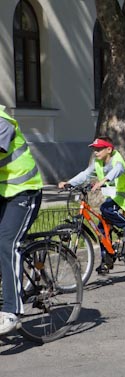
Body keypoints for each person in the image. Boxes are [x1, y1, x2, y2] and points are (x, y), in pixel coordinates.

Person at [60, 136, 125, 275]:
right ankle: (107, 261)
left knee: (105, 209)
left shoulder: (116, 159)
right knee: (101, 228)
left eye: (99, 149)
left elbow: (117, 170)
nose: (96, 152)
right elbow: (85, 174)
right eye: (94, 149)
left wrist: (103, 180)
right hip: (114, 196)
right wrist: (69, 183)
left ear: (109, 149)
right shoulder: (98, 162)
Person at [0, 109, 43, 335]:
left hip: (24, 192)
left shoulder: (2, 122)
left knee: (7, 243)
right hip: (4, 192)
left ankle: (11, 310)